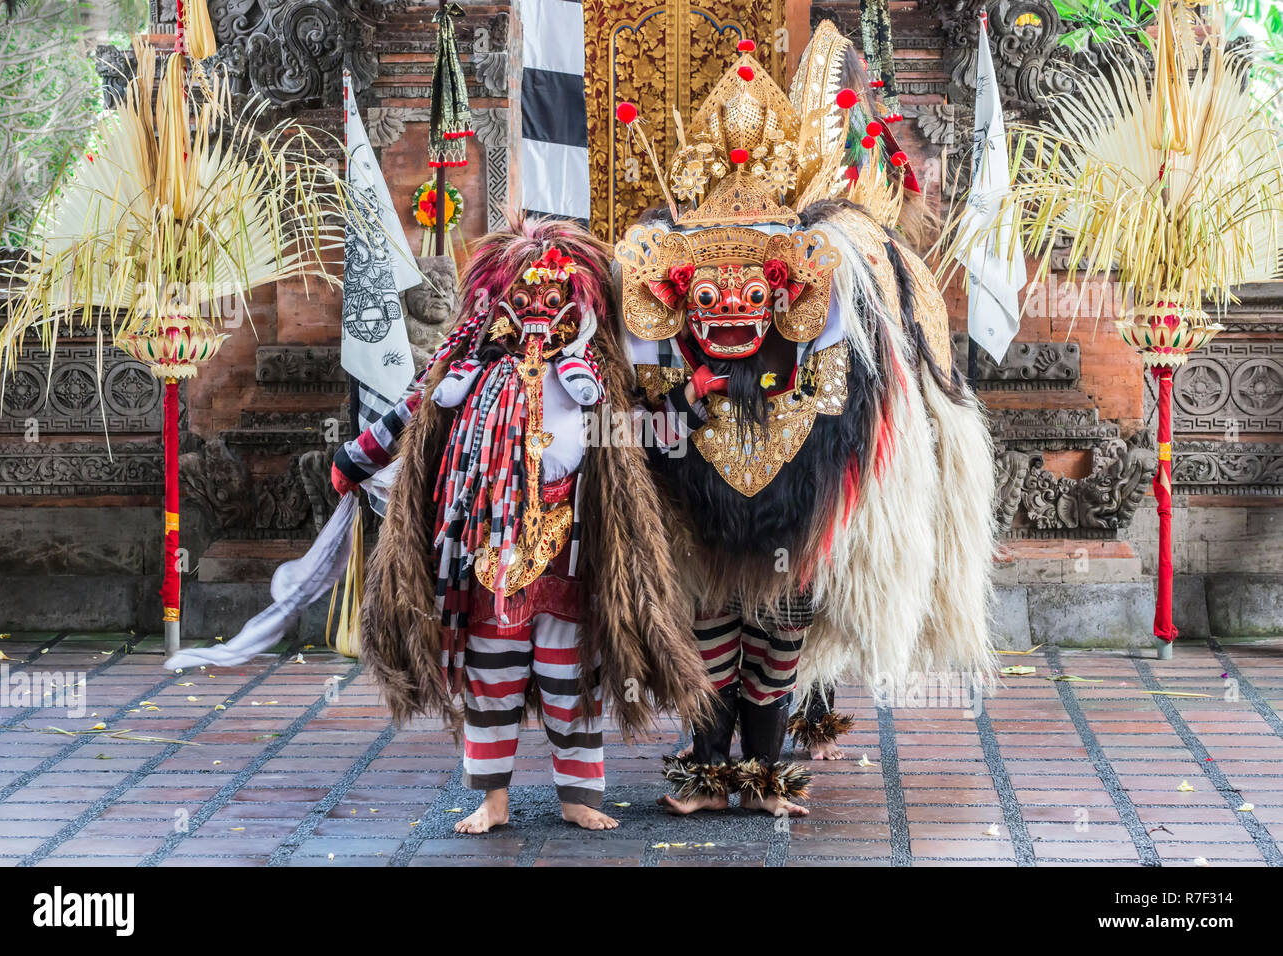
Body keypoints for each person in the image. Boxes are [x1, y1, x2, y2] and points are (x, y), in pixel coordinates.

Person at [615, 23, 999, 817]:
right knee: (711, 619)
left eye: (751, 296)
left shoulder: (829, 333)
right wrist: (674, 402)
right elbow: (644, 407)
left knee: (781, 625)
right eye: (710, 296)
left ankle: (763, 768)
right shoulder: (662, 334)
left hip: (797, 491)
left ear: (787, 292)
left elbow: (836, 393)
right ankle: (705, 760)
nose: (728, 312)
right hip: (700, 488)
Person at [334, 216, 713, 832]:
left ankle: (579, 797)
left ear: (578, 300)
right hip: (491, 546)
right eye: (526, 295)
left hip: (572, 546)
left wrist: (691, 401)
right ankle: (492, 799)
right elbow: (413, 411)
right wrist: (354, 458)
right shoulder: (470, 367)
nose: (539, 308)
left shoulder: (596, 375)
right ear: (500, 297)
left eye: (554, 296)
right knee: (492, 676)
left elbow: (641, 432)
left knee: (572, 678)